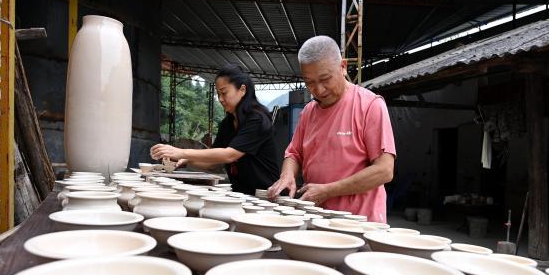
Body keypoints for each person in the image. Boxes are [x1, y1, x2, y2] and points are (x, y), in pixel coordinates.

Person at [267, 36, 396, 223]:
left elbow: (384, 170)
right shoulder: (308, 112)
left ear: (343, 67)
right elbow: (294, 154)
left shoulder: (370, 106)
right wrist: (287, 176)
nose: (318, 90)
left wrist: (328, 191)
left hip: (360, 224)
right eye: (309, 82)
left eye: (325, 79)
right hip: (314, 219)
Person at [151, 64, 279, 195]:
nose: (220, 99)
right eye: (218, 94)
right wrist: (187, 160)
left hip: (266, 195)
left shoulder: (256, 119)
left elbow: (229, 155)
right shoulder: (227, 124)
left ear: (242, 90)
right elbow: (213, 163)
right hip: (241, 194)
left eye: (224, 93)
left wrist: (181, 152)